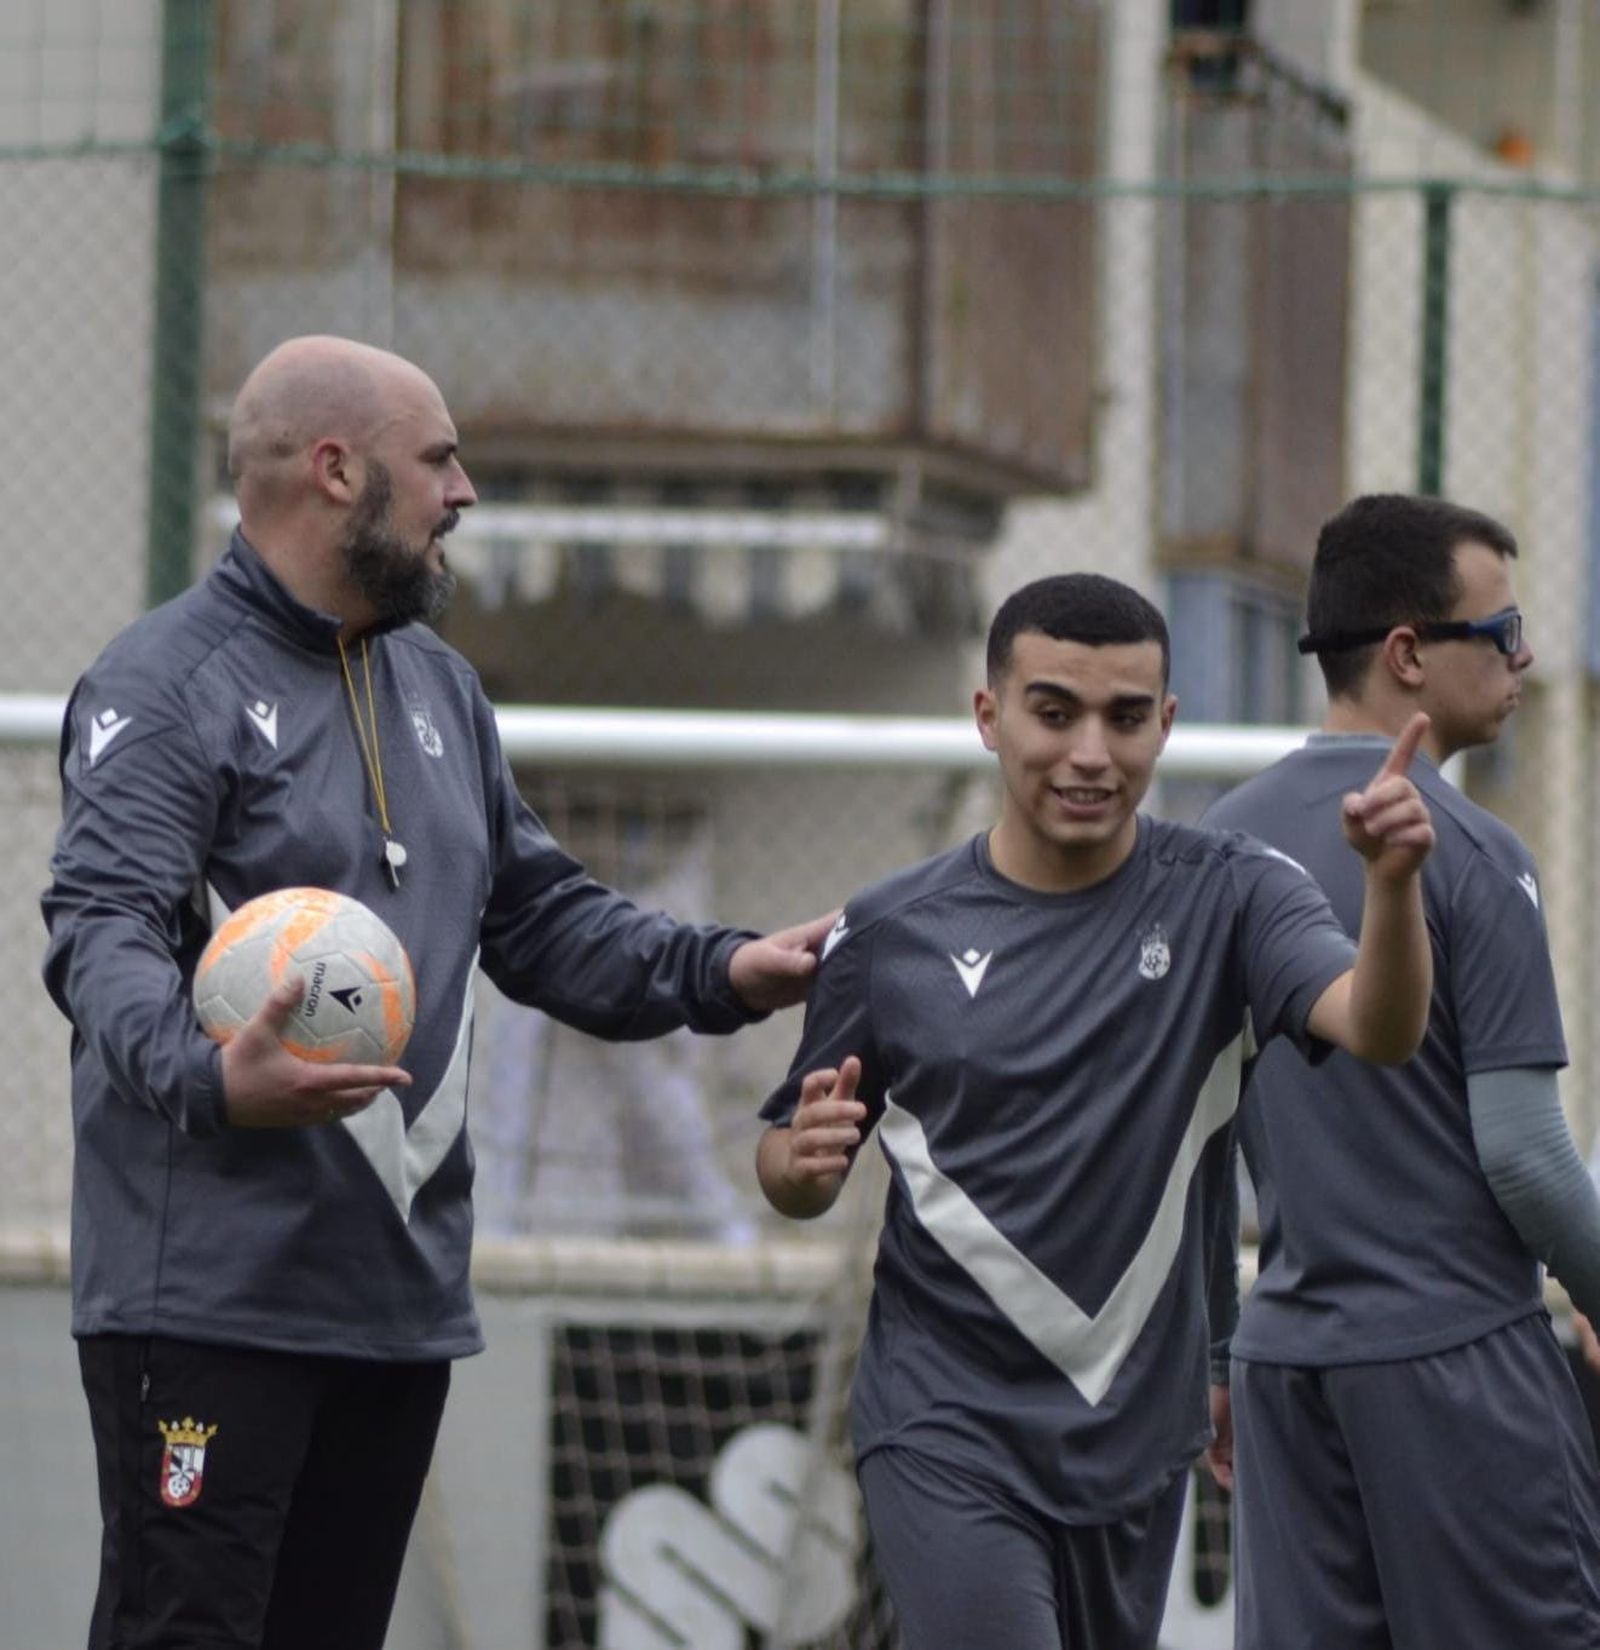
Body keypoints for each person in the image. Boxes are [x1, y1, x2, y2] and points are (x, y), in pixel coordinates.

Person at [41, 335, 834, 1650]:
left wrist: (722, 970)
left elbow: (541, 919)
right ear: (336, 470)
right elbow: (100, 931)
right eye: (439, 461)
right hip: (211, 1303)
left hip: (393, 1305)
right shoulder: (165, 687)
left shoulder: (440, 689)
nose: (463, 492)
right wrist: (209, 1076)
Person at [755, 572, 1437, 1650]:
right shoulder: (889, 932)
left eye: (1124, 719)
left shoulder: (1233, 896)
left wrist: (1393, 888)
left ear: (1165, 723)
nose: (1089, 754)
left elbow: (1380, 1028)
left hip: (1134, 1435)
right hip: (942, 1426)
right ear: (989, 716)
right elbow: (785, 1164)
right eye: (1054, 712)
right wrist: (798, 1166)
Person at [1202, 493, 1600, 1649]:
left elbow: (1195, 1143)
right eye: (1503, 630)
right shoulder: (1470, 852)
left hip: (1283, 1366)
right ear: (1407, 655)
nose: (1524, 658)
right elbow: (1526, 1155)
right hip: (1453, 1364)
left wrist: (1216, 1349)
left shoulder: (1216, 844)